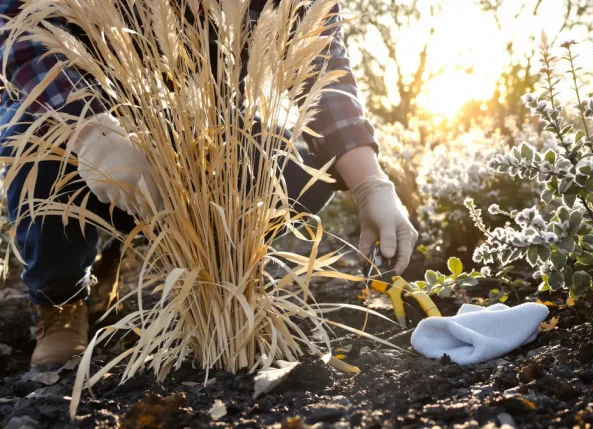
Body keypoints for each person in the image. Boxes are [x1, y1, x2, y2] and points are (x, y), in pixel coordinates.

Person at [0, 0, 418, 366]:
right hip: (91, 117)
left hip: (198, 126)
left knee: (302, 157)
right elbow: (19, 33)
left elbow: (325, 67)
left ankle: (220, 272)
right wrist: (90, 131)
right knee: (31, 135)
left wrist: (372, 187)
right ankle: (60, 298)